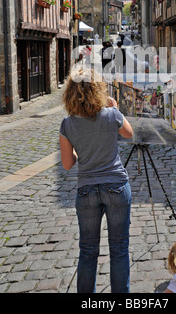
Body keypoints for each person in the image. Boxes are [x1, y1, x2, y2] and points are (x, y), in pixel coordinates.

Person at [59, 67, 134, 293]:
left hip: (87, 191)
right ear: (98, 89)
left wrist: (81, 149)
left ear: (71, 93)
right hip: (116, 186)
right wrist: (116, 110)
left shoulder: (67, 124)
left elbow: (67, 164)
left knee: (88, 250)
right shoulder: (111, 115)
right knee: (119, 249)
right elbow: (129, 133)